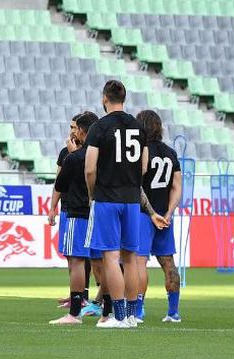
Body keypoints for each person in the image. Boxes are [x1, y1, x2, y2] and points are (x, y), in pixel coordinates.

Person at [84, 80, 153, 329]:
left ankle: (119, 316)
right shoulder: (138, 127)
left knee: (111, 257)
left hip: (107, 197)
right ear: (124, 98)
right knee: (131, 257)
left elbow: (90, 167)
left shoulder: (99, 127)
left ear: (105, 98)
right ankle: (133, 316)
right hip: (132, 199)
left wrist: (93, 193)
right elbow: (144, 166)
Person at [48, 112, 101, 325]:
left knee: (77, 260)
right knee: (102, 261)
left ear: (82, 130)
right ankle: (107, 310)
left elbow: (60, 184)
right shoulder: (103, 154)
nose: (73, 131)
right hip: (99, 212)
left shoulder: (74, 157)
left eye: (75, 127)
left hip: (77, 212)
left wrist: (72, 157)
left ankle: (75, 312)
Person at [135, 110, 183, 323]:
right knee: (169, 264)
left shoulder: (140, 151)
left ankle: (138, 310)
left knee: (138, 263)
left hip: (144, 214)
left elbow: (136, 184)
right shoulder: (170, 153)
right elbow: (177, 186)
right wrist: (169, 212)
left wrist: (152, 212)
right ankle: (173, 312)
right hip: (164, 216)